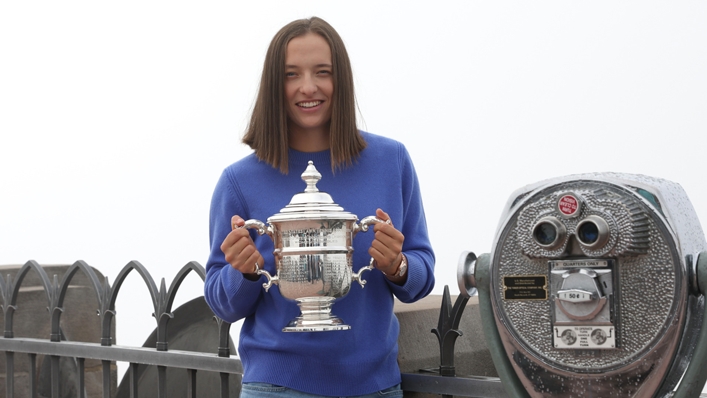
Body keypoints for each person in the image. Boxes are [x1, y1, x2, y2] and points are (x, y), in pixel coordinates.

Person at [204, 16, 435, 398]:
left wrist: (399, 265)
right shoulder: (238, 181)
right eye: (291, 74)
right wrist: (241, 273)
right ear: (274, 86)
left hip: (375, 388)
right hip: (276, 387)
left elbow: (421, 274)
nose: (307, 87)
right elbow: (221, 302)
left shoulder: (391, 161)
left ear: (340, 80)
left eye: (322, 72)